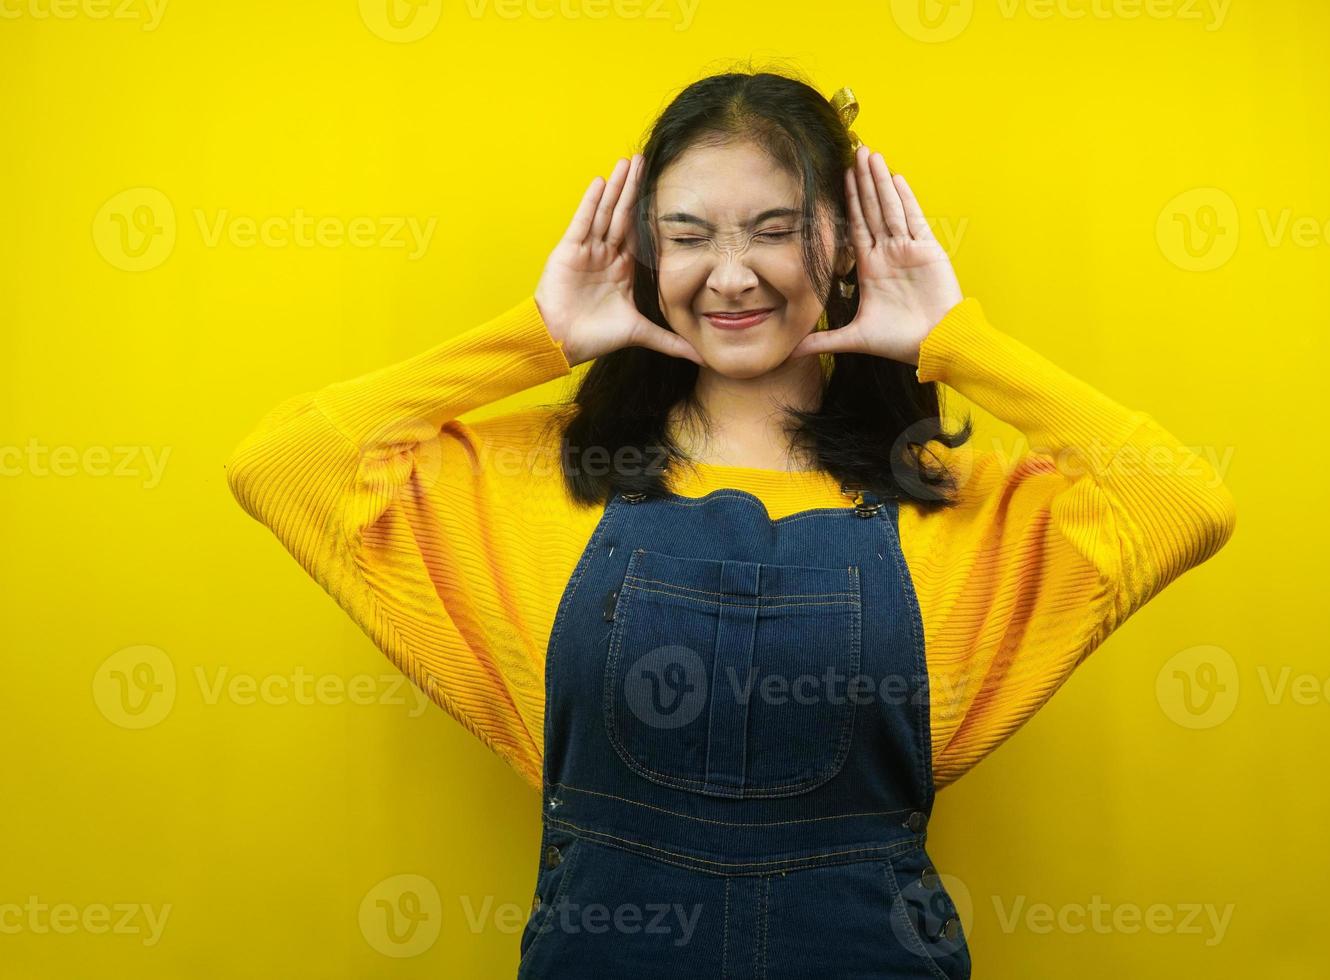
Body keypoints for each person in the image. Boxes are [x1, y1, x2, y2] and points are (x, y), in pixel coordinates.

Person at [225, 69, 1236, 979]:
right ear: (639, 254)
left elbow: (1184, 500)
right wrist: (538, 338)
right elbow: (282, 464)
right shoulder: (535, 477)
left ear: (841, 244)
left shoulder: (955, 501)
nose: (732, 274)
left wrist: (954, 341)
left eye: (775, 227)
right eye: (689, 233)